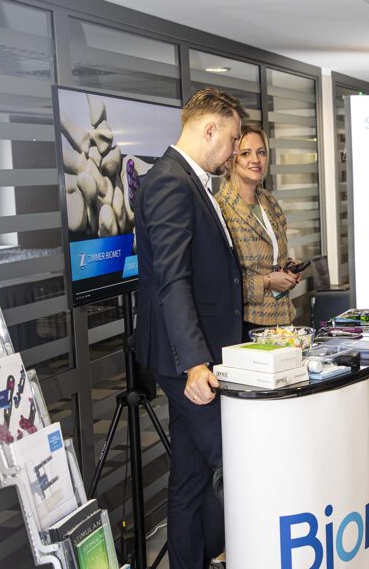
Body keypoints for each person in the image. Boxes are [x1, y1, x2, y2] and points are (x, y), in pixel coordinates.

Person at [134, 88, 247, 569]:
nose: (236, 150)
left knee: (190, 477)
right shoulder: (170, 182)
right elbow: (172, 279)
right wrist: (196, 363)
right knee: (236, 461)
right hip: (185, 359)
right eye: (234, 139)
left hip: (197, 354)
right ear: (210, 128)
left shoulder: (190, 180)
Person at [216, 126, 298, 337]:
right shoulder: (220, 208)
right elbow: (221, 284)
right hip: (247, 323)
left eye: (261, 152)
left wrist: (288, 269)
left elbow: (273, 256)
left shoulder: (268, 200)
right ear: (230, 159)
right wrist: (268, 281)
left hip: (282, 317)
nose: (256, 160)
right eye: (246, 153)